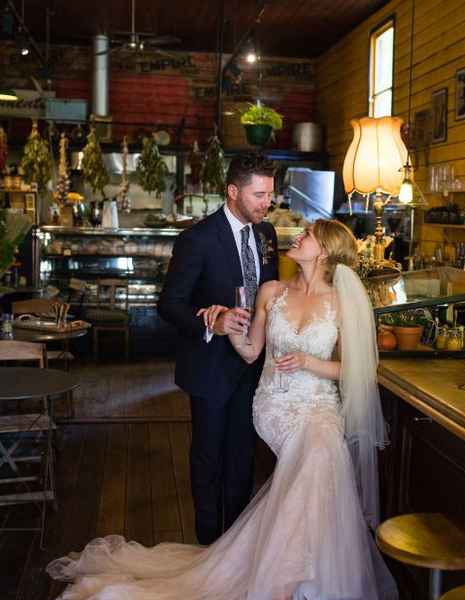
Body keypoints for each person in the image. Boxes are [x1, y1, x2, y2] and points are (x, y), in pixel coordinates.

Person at [47, 219, 398, 600]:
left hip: (319, 403)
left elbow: (356, 369)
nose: (297, 236)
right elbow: (249, 352)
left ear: (325, 251)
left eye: (308, 235)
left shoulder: (343, 301)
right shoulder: (272, 291)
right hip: (274, 404)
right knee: (319, 456)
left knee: (321, 454)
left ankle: (299, 580)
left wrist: (310, 363)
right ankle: (295, 580)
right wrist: (224, 323)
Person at [157, 152, 278, 544]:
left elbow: (269, 295)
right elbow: (169, 304)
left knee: (243, 458)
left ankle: (236, 546)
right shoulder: (197, 240)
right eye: (259, 195)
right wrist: (213, 323)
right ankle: (208, 545)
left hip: (253, 366)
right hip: (209, 367)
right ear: (232, 191)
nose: (267, 203)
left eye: (270, 194)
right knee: (209, 458)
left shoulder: (267, 235)